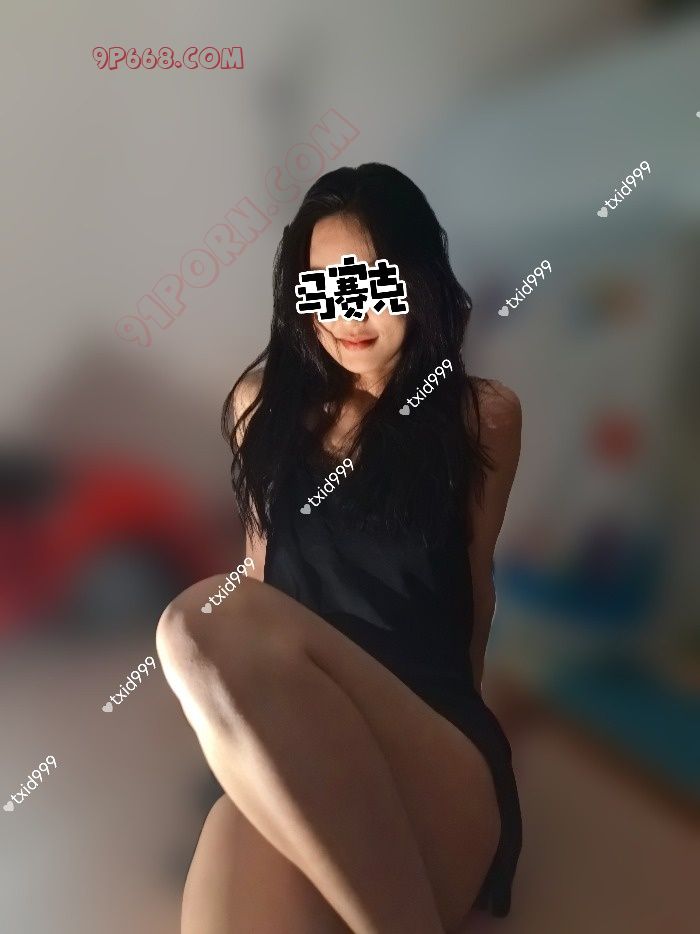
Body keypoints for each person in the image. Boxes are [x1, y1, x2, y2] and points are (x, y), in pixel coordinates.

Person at [156, 162, 523, 934]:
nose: (349, 310)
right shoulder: (259, 406)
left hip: (430, 747)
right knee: (229, 831)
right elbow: (259, 573)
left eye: (373, 282)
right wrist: (250, 749)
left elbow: (475, 587)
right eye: (325, 285)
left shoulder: (480, 415)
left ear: (418, 279)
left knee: (196, 623)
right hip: (312, 747)